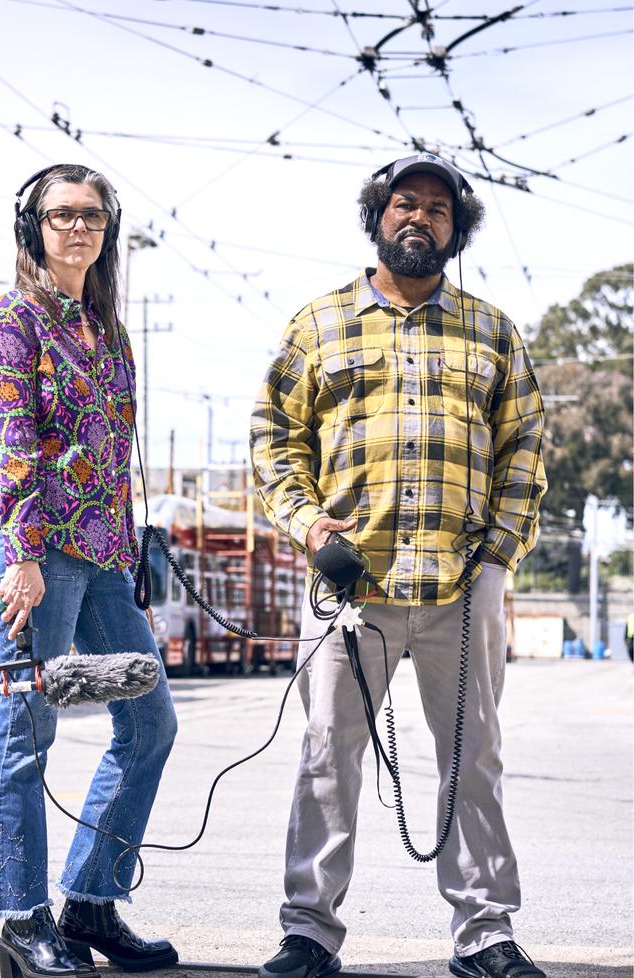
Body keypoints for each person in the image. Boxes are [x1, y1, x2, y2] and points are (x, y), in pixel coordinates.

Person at [250, 153, 548, 978]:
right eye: (404, 204)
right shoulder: (318, 324)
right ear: (377, 215)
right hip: (352, 589)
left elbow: (525, 448)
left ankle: (486, 934)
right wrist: (310, 528)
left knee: (474, 758)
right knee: (325, 754)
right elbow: (274, 438)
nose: (421, 217)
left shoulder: (493, 330)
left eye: (439, 210)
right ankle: (309, 931)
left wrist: (498, 558)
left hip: (462, 588)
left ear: (457, 230)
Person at [0, 163, 178, 977]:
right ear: (33, 228)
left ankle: (90, 899)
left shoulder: (110, 328)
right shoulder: (14, 317)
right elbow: (13, 439)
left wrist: (133, 580)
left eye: (91, 215)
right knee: (29, 729)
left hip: (101, 555)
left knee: (151, 720)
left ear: (107, 229)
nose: (77, 228)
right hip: (33, 548)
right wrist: (18, 554)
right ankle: (22, 921)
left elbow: (116, 463)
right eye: (61, 216)